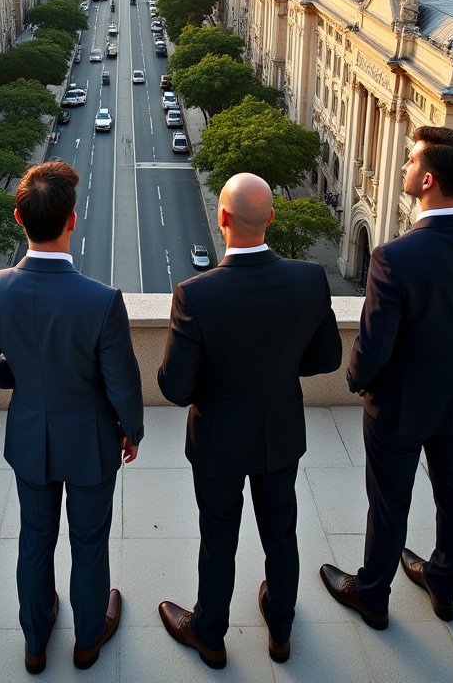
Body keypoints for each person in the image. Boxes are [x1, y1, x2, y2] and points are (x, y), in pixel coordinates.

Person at [320, 127, 453, 629]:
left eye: (410, 162)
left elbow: (375, 344)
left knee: (389, 504)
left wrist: (356, 378)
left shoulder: (395, 256)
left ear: (428, 179)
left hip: (399, 403)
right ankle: (443, 583)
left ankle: (372, 594)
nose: (405, 168)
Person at [0, 160, 144, 675]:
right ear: (72, 220)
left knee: (34, 541)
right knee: (90, 545)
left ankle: (35, 642)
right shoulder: (102, 301)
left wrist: (27, 379)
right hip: (90, 442)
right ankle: (88, 642)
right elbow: (121, 384)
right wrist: (130, 430)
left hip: (29, 438)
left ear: (18, 219)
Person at [157, 172, 342, 669]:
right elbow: (326, 357)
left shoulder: (194, 294)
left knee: (218, 537)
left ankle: (210, 635)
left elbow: (174, 388)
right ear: (272, 218)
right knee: (282, 531)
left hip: (217, 437)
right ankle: (280, 630)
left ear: (222, 219)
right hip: (280, 430)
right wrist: (276, 373)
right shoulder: (310, 279)